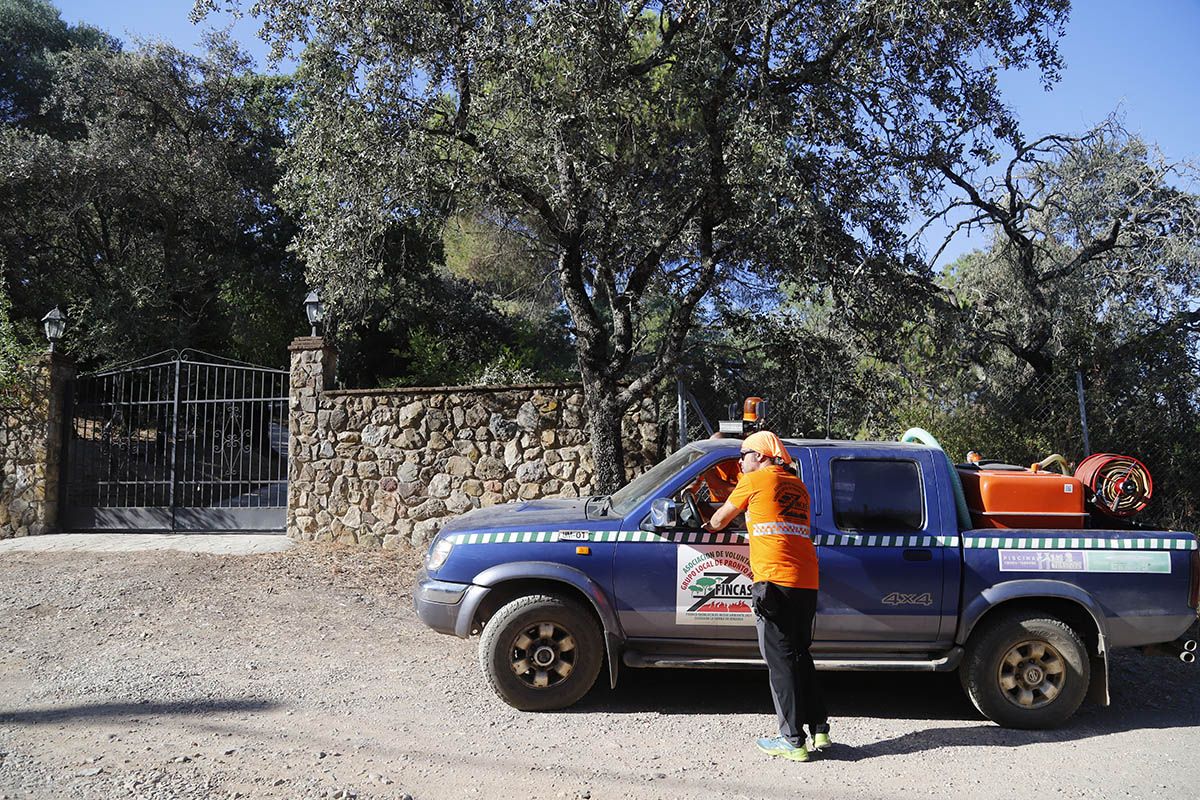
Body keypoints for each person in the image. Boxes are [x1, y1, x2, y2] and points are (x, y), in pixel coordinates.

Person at [705, 430, 830, 762]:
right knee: (800, 654)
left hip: (773, 581)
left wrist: (707, 519)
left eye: (743, 455)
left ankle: (791, 740)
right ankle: (819, 729)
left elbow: (718, 521)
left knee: (780, 661)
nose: (740, 462)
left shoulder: (756, 480)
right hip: (805, 580)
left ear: (759, 456)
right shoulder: (797, 486)